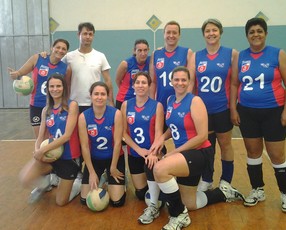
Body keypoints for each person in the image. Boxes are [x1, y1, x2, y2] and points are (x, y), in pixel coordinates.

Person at [152, 66, 244, 230]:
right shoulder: (170, 101)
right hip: (185, 156)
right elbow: (172, 127)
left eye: (184, 80)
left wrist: (173, 152)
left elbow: (202, 136)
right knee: (190, 203)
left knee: (160, 169)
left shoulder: (195, 101)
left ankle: (179, 215)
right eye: (177, 79)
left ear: (189, 82)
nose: (180, 83)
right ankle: (222, 193)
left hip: (199, 153)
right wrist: (161, 138)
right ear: (171, 81)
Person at [230, 17, 286, 214]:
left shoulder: (278, 54)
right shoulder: (241, 57)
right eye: (252, 32)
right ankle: (257, 190)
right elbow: (234, 84)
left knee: (276, 155)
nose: (256, 34)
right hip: (247, 112)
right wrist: (233, 109)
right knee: (252, 153)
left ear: (265, 33)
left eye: (259, 31)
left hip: (274, 112)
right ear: (247, 36)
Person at [19, 74, 81, 206]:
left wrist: (43, 150)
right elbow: (40, 137)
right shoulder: (46, 110)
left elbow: (67, 136)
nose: (55, 89)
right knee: (25, 178)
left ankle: (77, 183)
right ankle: (45, 183)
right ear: (47, 89)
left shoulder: (72, 105)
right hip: (51, 156)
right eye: (52, 86)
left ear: (64, 88)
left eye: (58, 86)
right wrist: (37, 152)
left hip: (68, 158)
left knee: (61, 202)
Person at [194, 19, 238, 191]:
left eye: (214, 30)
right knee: (207, 146)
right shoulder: (196, 56)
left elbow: (235, 83)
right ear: (203, 34)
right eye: (207, 31)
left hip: (222, 109)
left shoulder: (231, 54)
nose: (211, 33)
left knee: (225, 144)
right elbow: (192, 84)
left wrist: (233, 108)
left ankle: (226, 180)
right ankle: (206, 178)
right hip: (203, 111)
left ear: (220, 32)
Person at [120, 71, 164, 224]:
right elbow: (123, 133)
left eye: (144, 83)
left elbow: (159, 134)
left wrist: (152, 153)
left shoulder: (157, 106)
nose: (140, 85)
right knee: (140, 194)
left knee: (159, 197)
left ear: (149, 86)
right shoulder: (126, 105)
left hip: (153, 152)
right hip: (135, 154)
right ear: (133, 86)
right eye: (137, 82)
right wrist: (139, 150)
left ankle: (164, 183)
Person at [8, 38, 71, 138]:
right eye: (58, 47)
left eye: (63, 49)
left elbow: (67, 88)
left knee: (52, 138)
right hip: (37, 104)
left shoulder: (66, 68)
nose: (60, 50)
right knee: (40, 138)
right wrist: (16, 74)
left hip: (54, 106)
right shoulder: (38, 58)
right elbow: (20, 73)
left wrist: (64, 105)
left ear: (66, 52)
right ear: (52, 47)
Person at [78, 82, 126, 207]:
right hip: (94, 159)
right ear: (91, 96)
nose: (99, 97)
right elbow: (84, 146)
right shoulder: (83, 117)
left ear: (107, 96)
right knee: (84, 200)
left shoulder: (116, 114)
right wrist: (92, 172)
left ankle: (117, 180)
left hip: (114, 159)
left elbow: (117, 143)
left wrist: (113, 167)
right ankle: (101, 178)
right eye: (96, 94)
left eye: (103, 94)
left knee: (117, 202)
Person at [63, 22, 114, 113]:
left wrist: (111, 101)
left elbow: (108, 81)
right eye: (85, 34)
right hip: (74, 103)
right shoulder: (68, 57)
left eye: (90, 34)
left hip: (94, 103)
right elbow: (54, 65)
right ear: (78, 35)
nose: (88, 37)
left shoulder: (100, 56)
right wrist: (44, 56)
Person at [149, 20, 194, 114]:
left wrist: (186, 102)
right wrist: (151, 103)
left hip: (180, 103)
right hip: (161, 104)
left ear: (179, 35)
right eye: (168, 32)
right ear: (164, 34)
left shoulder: (187, 52)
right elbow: (153, 81)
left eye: (174, 33)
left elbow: (191, 81)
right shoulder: (156, 54)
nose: (171, 35)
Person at [115, 39, 150, 109]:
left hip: (142, 100)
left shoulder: (151, 61)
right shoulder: (126, 64)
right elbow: (117, 80)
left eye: (145, 50)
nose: (143, 53)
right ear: (134, 51)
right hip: (124, 99)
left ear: (148, 50)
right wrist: (128, 90)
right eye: (139, 50)